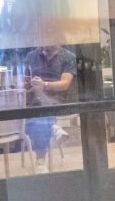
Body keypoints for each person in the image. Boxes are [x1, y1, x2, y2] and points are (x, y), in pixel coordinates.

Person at [23, 45, 78, 173]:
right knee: (38, 113)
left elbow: (64, 85)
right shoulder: (31, 56)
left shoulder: (68, 57)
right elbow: (24, 81)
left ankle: (40, 160)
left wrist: (44, 84)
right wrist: (29, 83)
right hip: (35, 100)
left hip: (57, 100)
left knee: (37, 116)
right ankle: (54, 127)